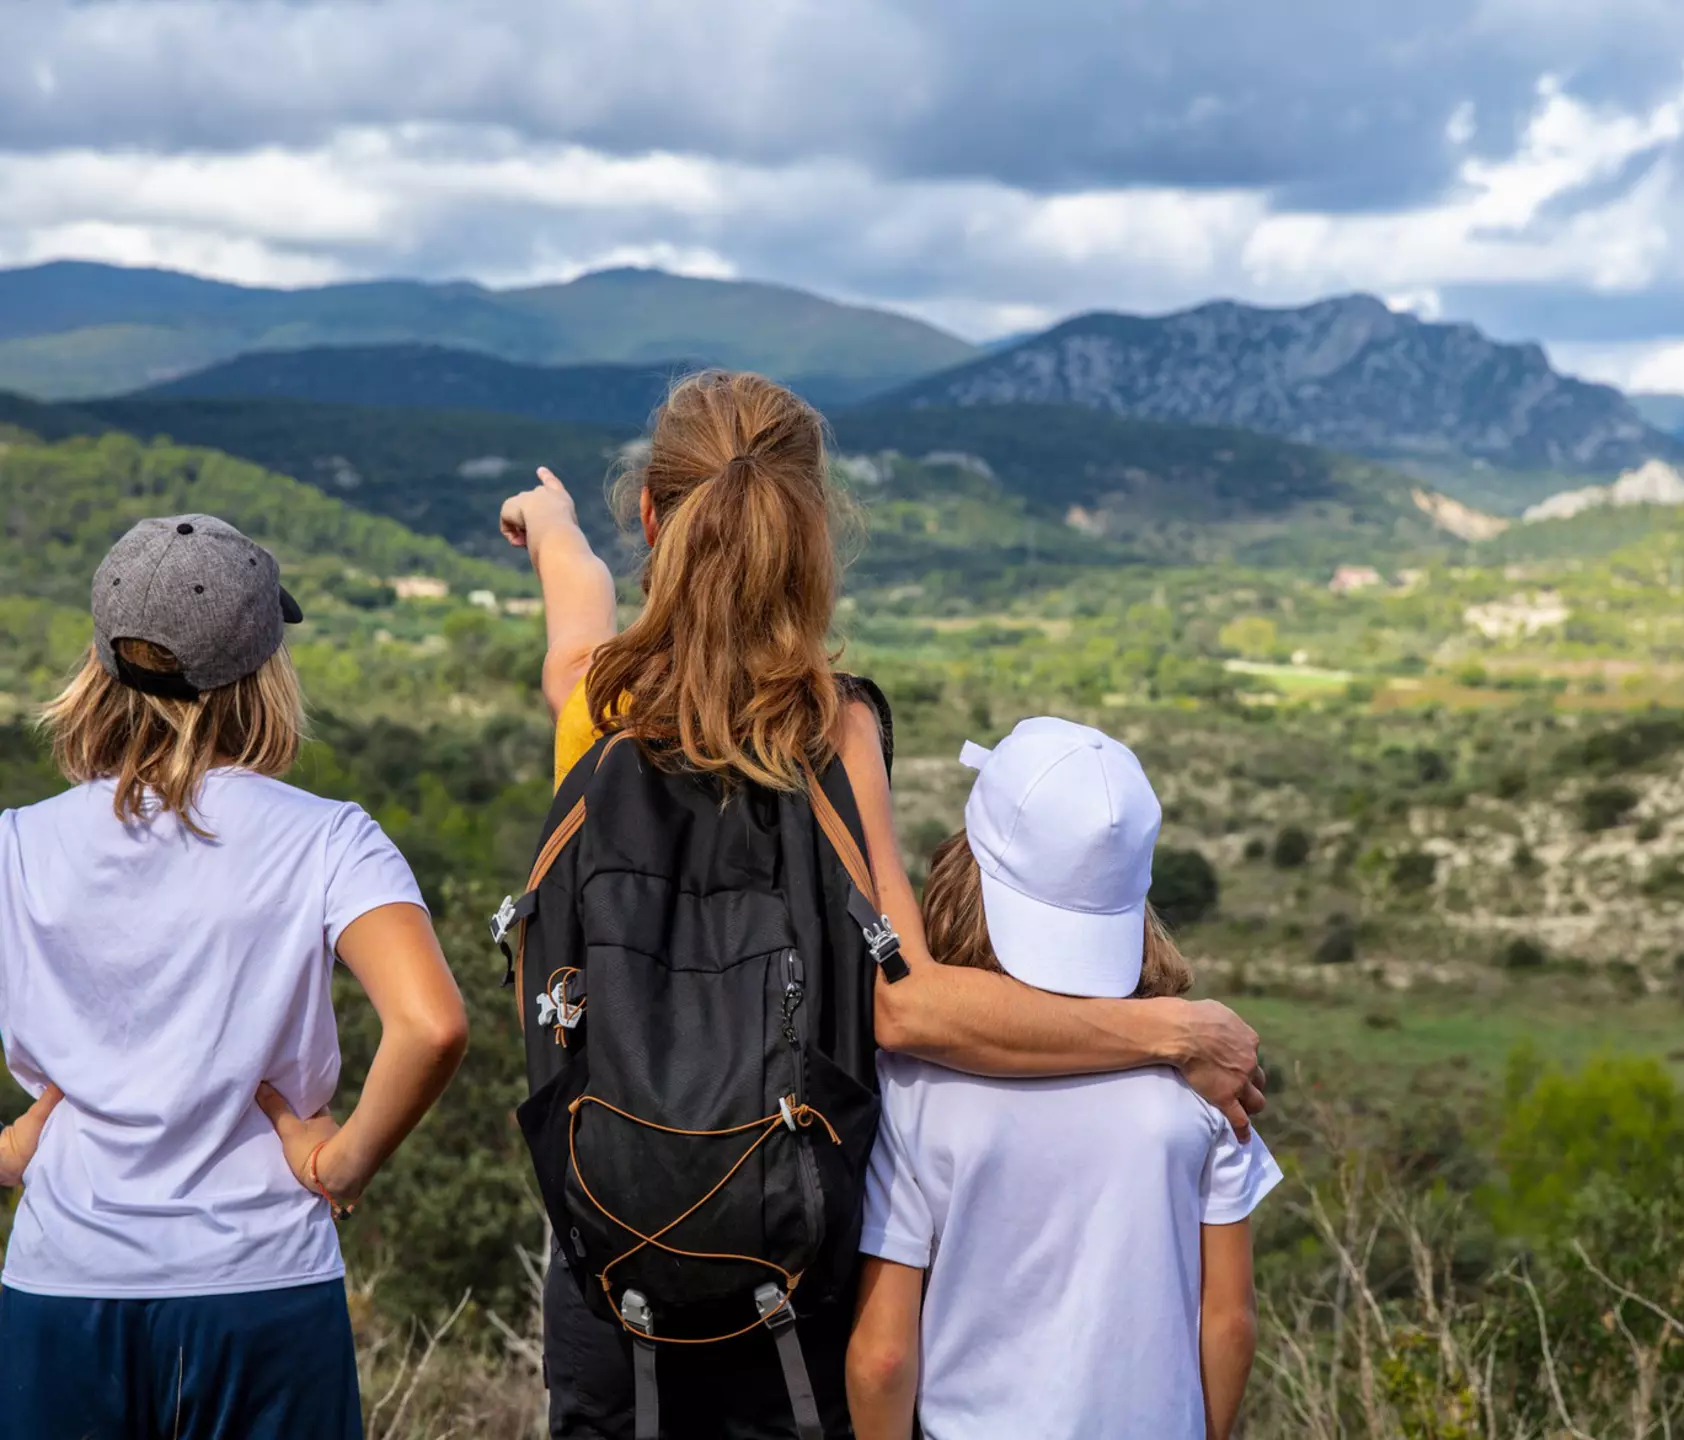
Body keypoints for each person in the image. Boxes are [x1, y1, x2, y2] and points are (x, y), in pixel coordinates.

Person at [498, 371, 1267, 1440]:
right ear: (810, 531)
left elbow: (577, 602)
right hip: (787, 1278)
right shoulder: (831, 729)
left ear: (652, 516)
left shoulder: (599, 703)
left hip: (613, 1268)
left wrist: (552, 525)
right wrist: (1174, 1031)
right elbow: (906, 1003)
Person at [0, 515, 470, 1440]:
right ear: (262, 675)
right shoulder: (331, 838)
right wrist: (341, 1164)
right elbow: (432, 1025)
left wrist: (12, 1148)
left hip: (64, 1282)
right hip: (264, 1284)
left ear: (100, 664)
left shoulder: (17, 846)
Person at [845, 718, 1281, 1440]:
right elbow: (1230, 1321)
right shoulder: (1204, 1082)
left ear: (964, 870)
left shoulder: (912, 1090)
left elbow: (884, 1359)